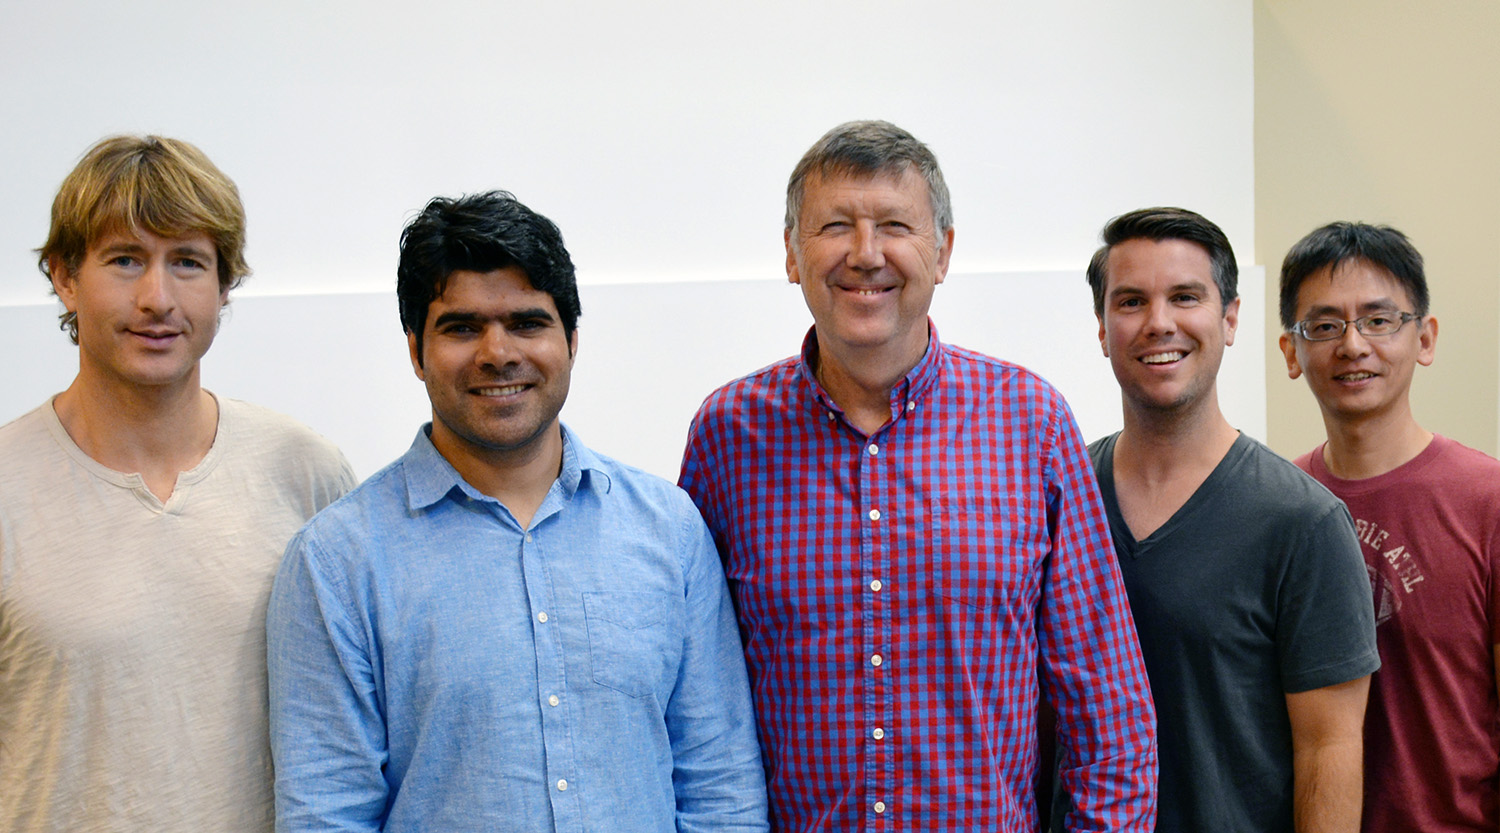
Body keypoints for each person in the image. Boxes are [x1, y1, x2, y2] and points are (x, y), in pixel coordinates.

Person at [679, 120, 1157, 832]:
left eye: (895, 225)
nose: (865, 254)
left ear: (943, 252)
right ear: (790, 254)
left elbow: (1109, 715)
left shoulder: (1030, 423)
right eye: (835, 225)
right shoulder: (728, 437)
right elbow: (697, 710)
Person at [267, 190, 768, 832]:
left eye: (528, 322)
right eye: (462, 327)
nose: (498, 352)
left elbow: (721, 788)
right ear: (416, 349)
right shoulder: (337, 562)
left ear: (572, 340)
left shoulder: (669, 530)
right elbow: (327, 815)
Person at [0, 135, 355, 832]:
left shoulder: (305, 470)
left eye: (187, 262)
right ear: (64, 276)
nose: (157, 298)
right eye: (125, 259)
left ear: (225, 285)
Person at [1083, 207, 1379, 832]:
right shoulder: (1062, 498)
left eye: (1185, 297)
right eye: (1131, 301)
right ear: (1102, 328)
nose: (1158, 323)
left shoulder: (1304, 523)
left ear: (1230, 318)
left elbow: (1330, 749)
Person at [1279, 221, 1500, 832]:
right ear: (1291, 352)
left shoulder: (1488, 501)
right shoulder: (1274, 506)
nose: (1353, 345)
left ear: (1424, 337)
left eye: (1379, 320)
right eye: (1324, 326)